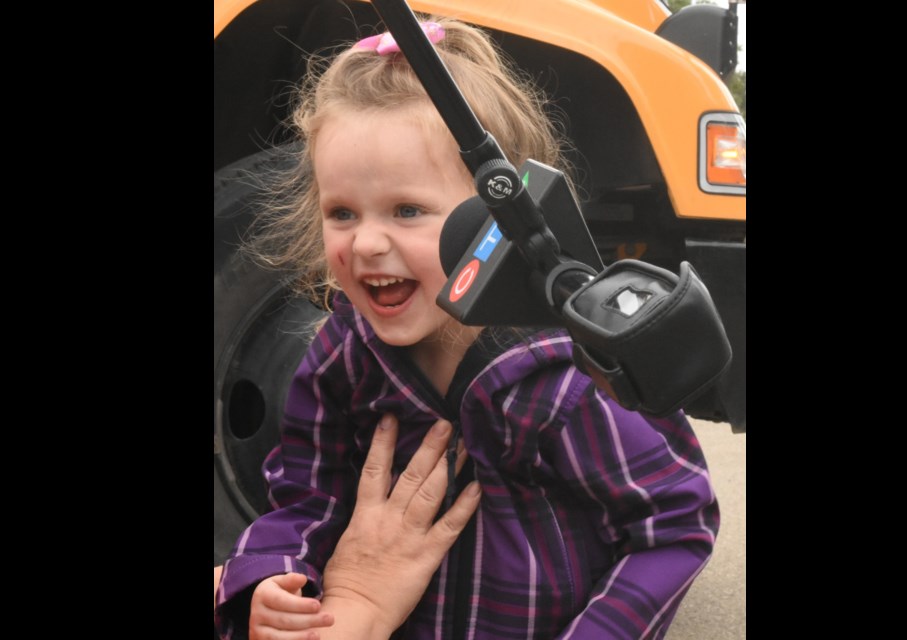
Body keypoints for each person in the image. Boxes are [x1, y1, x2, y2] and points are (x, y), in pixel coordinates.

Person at [214, 16, 719, 640]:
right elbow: (305, 499)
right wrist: (271, 577)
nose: (367, 241)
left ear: (499, 216)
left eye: (407, 210)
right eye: (341, 212)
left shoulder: (570, 379)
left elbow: (672, 525)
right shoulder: (340, 358)